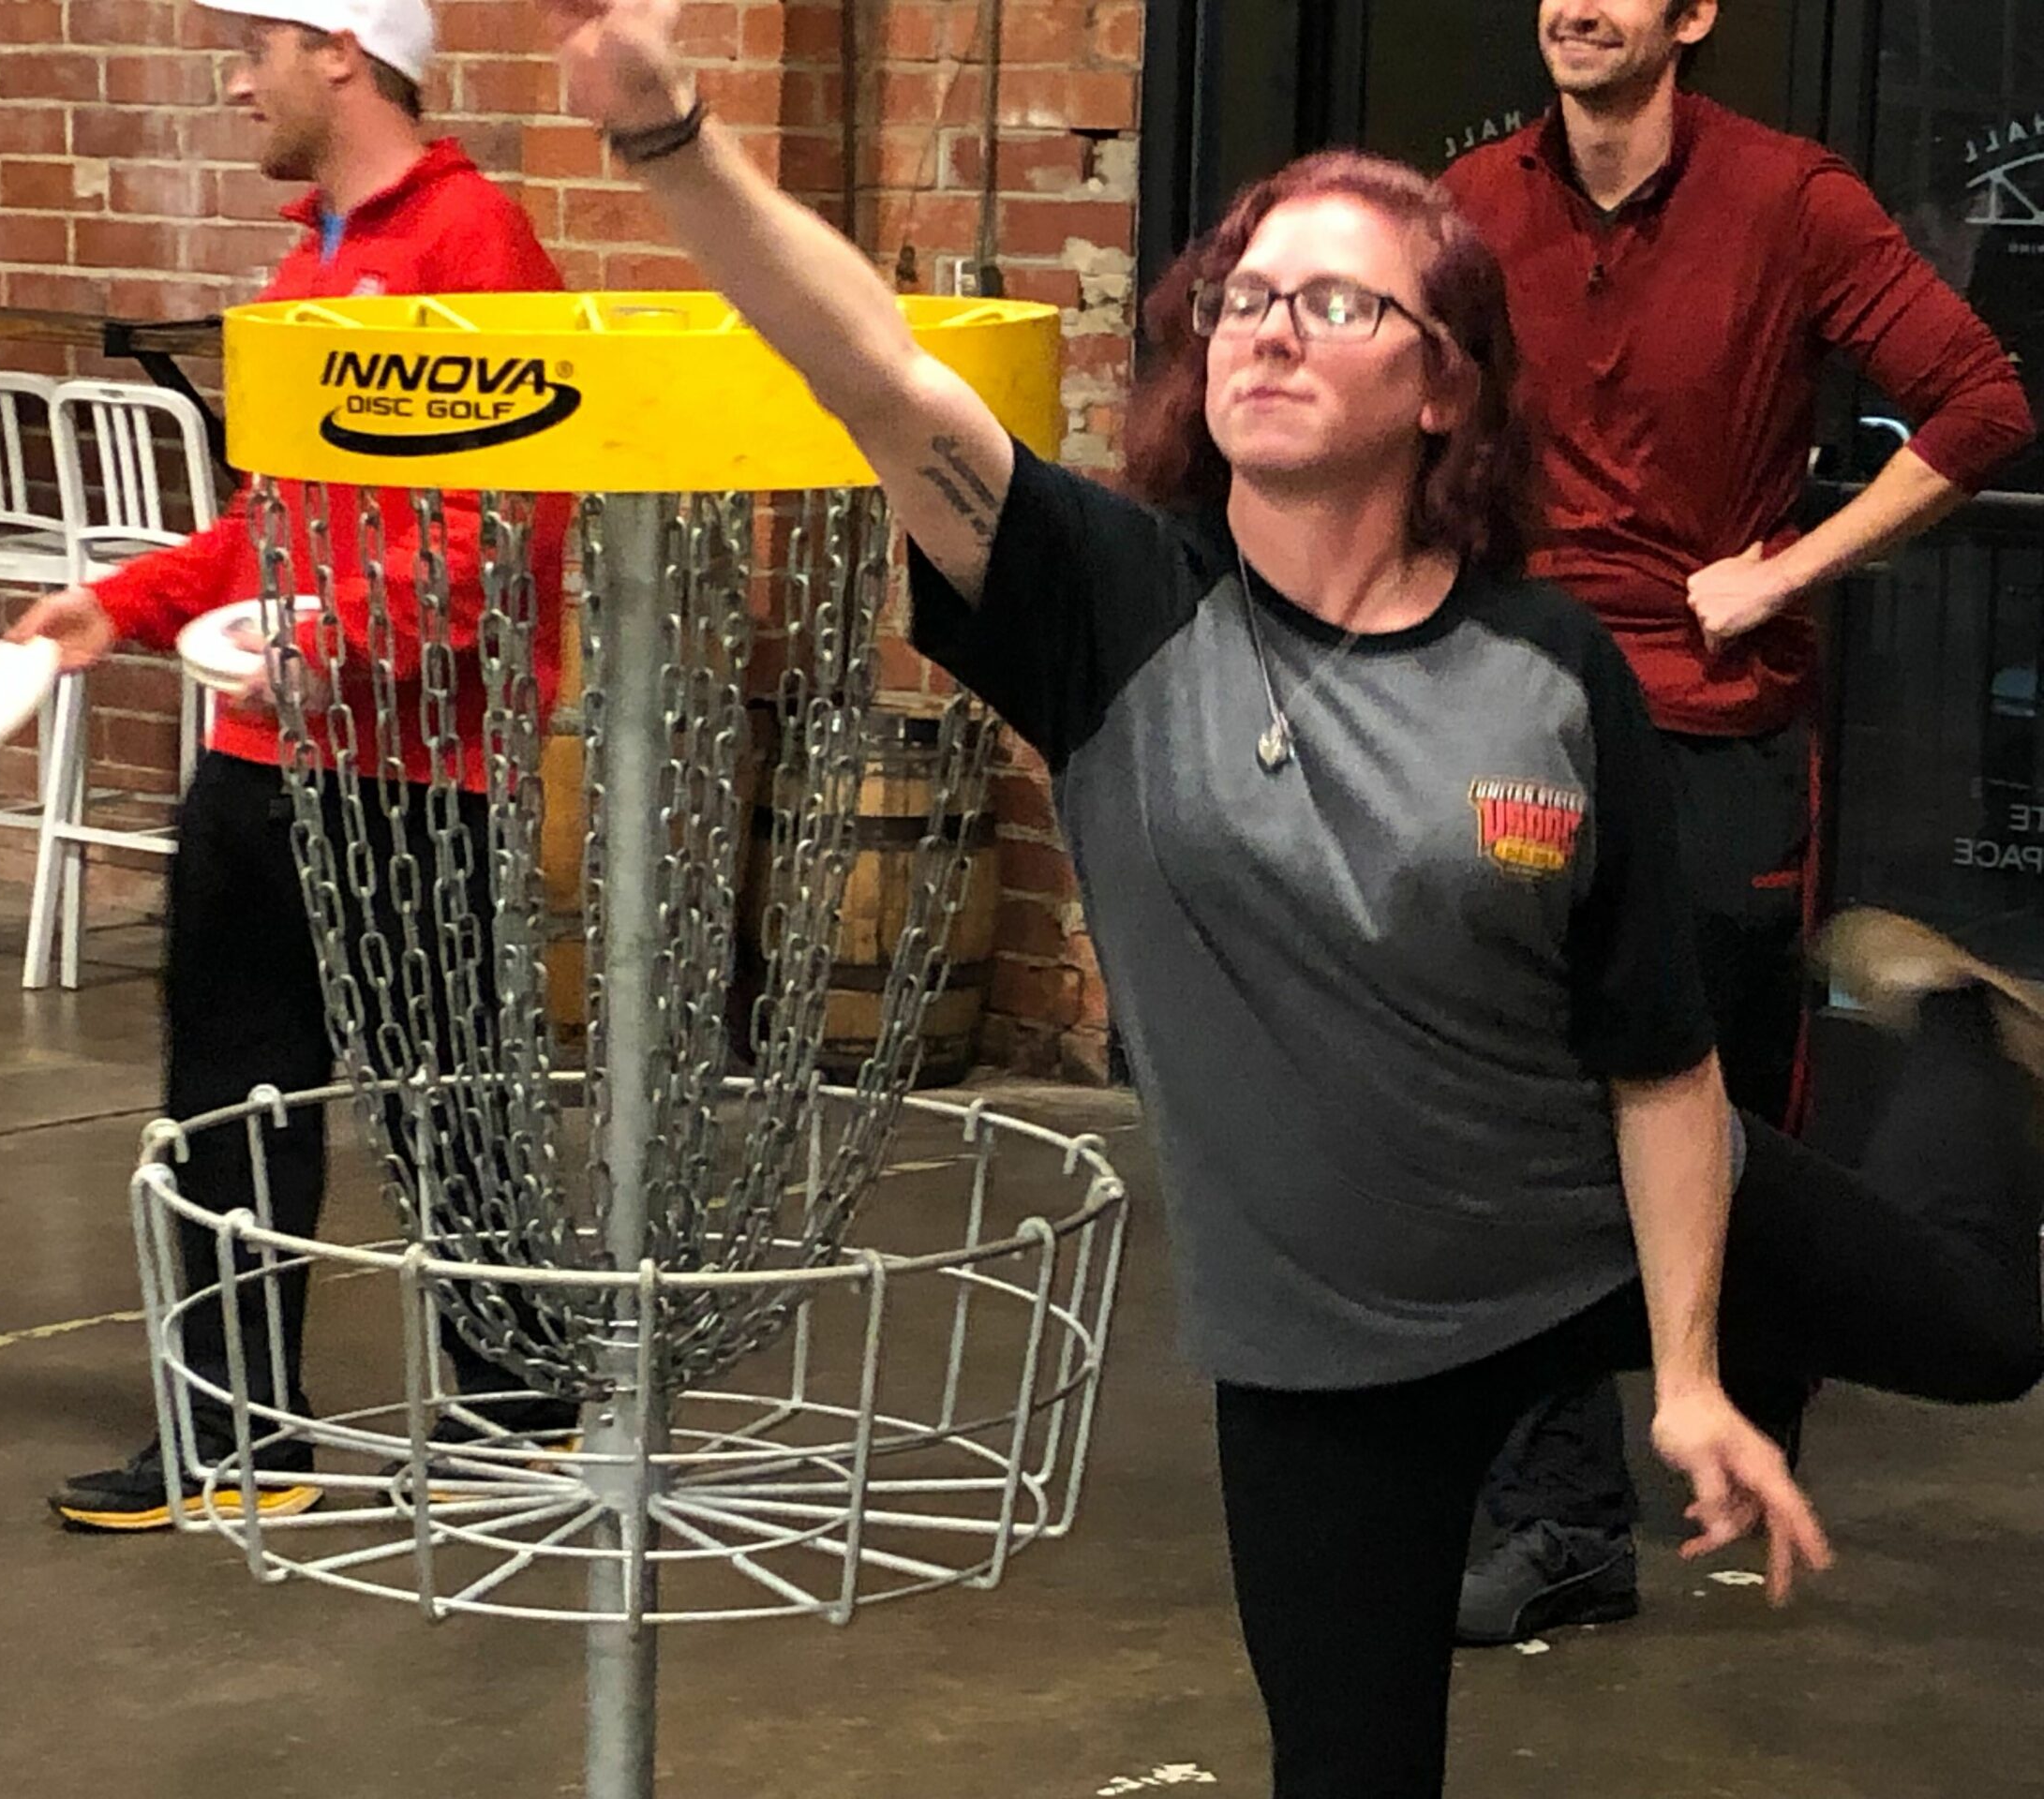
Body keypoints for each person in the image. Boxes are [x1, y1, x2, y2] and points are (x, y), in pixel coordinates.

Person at [527, 2, 2044, 1792]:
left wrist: (1695, 1374)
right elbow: (873, 372)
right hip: (1330, 1363)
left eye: (1338, 303)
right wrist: (669, 136)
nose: (1267, 327)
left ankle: (1955, 1027)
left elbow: (1656, 1063)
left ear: (1445, 384)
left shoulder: (1551, 673)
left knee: (1994, 1336)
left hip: (1581, 1233)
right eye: (1246, 296)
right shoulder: (1113, 609)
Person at [1436, 0, 2037, 1644]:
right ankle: (1560, 1514)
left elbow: (1981, 404)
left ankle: (1771, 1376)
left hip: (1714, 724)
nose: (1578, 6)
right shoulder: (1474, 206)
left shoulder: (1791, 199)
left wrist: (1784, 570)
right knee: (1532, 1094)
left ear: (1692, 15)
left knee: (1716, 1094)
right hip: (1519, 710)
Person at [10, 0, 576, 1532]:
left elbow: (498, 535)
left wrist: (339, 643)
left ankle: (520, 1403)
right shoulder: (308, 260)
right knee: (223, 1101)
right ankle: (234, 1438)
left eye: (253, 45)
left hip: (419, 771)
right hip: (264, 751)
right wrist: (125, 605)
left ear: (340, 49)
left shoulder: (472, 246)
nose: (232, 79)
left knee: (448, 1103)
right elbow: (273, 522)